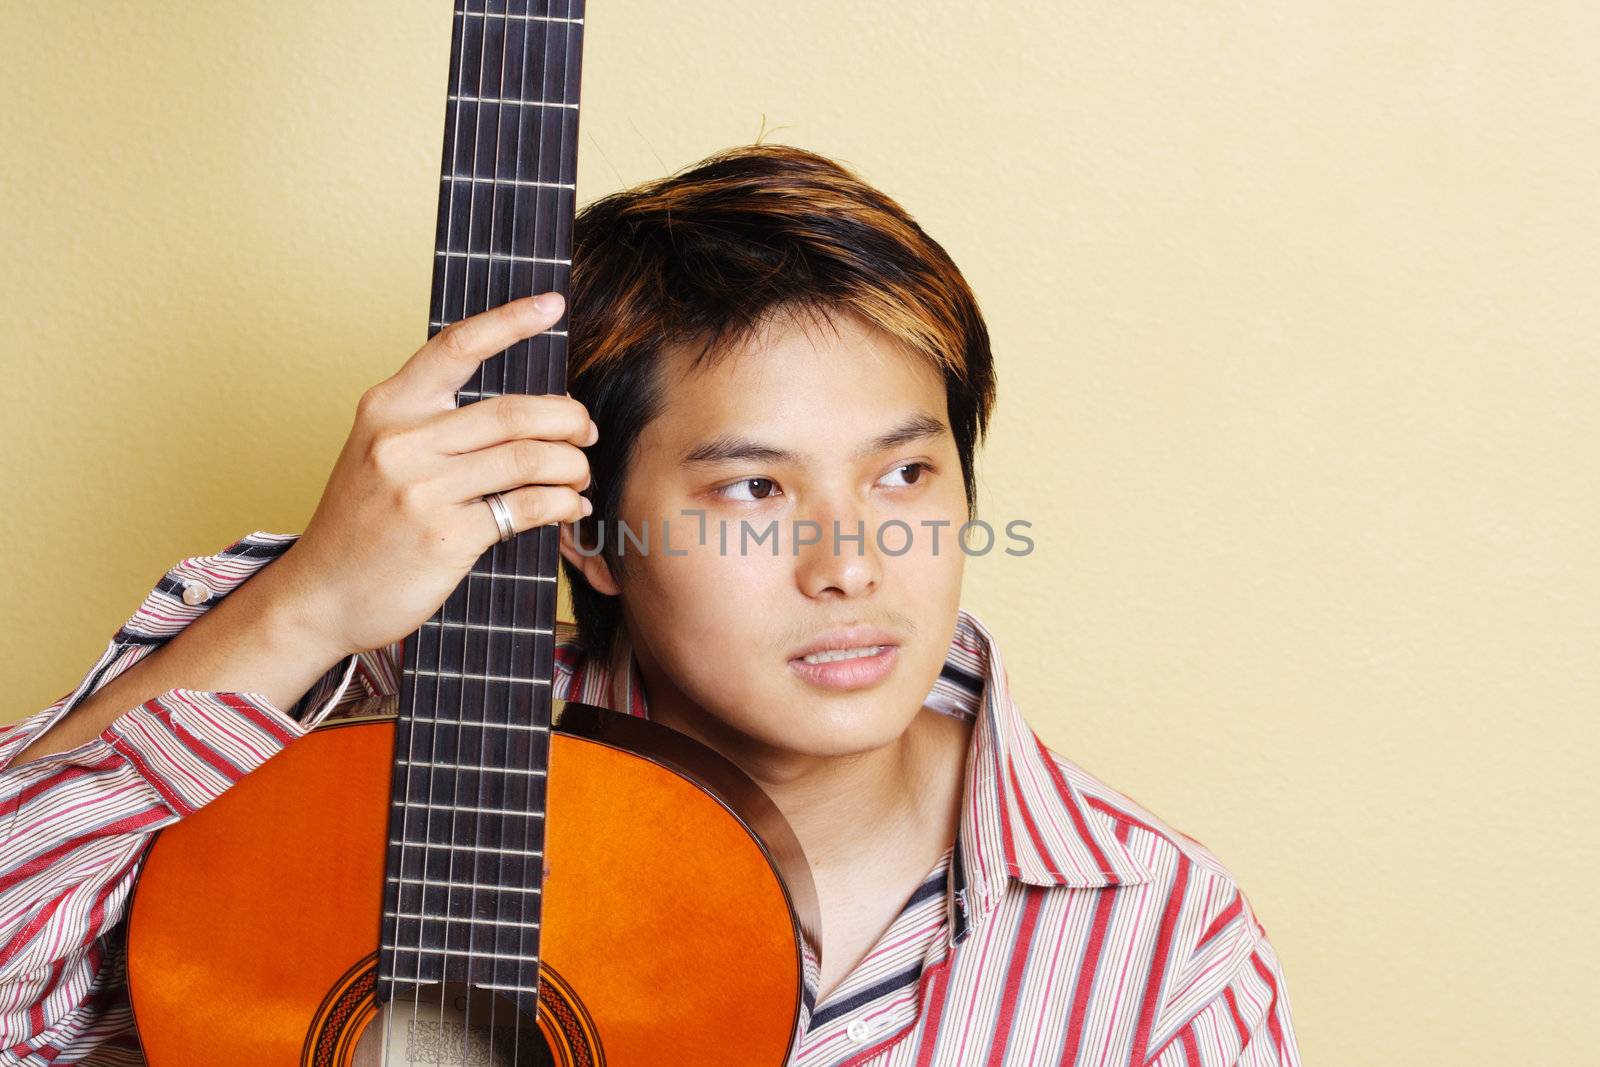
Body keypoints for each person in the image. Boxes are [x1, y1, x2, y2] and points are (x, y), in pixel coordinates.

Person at [0, 145, 1301, 1066]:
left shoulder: (1158, 934)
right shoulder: (338, 721)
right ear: (595, 537)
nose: (850, 563)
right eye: (751, 490)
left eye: (905, 472)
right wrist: (304, 612)